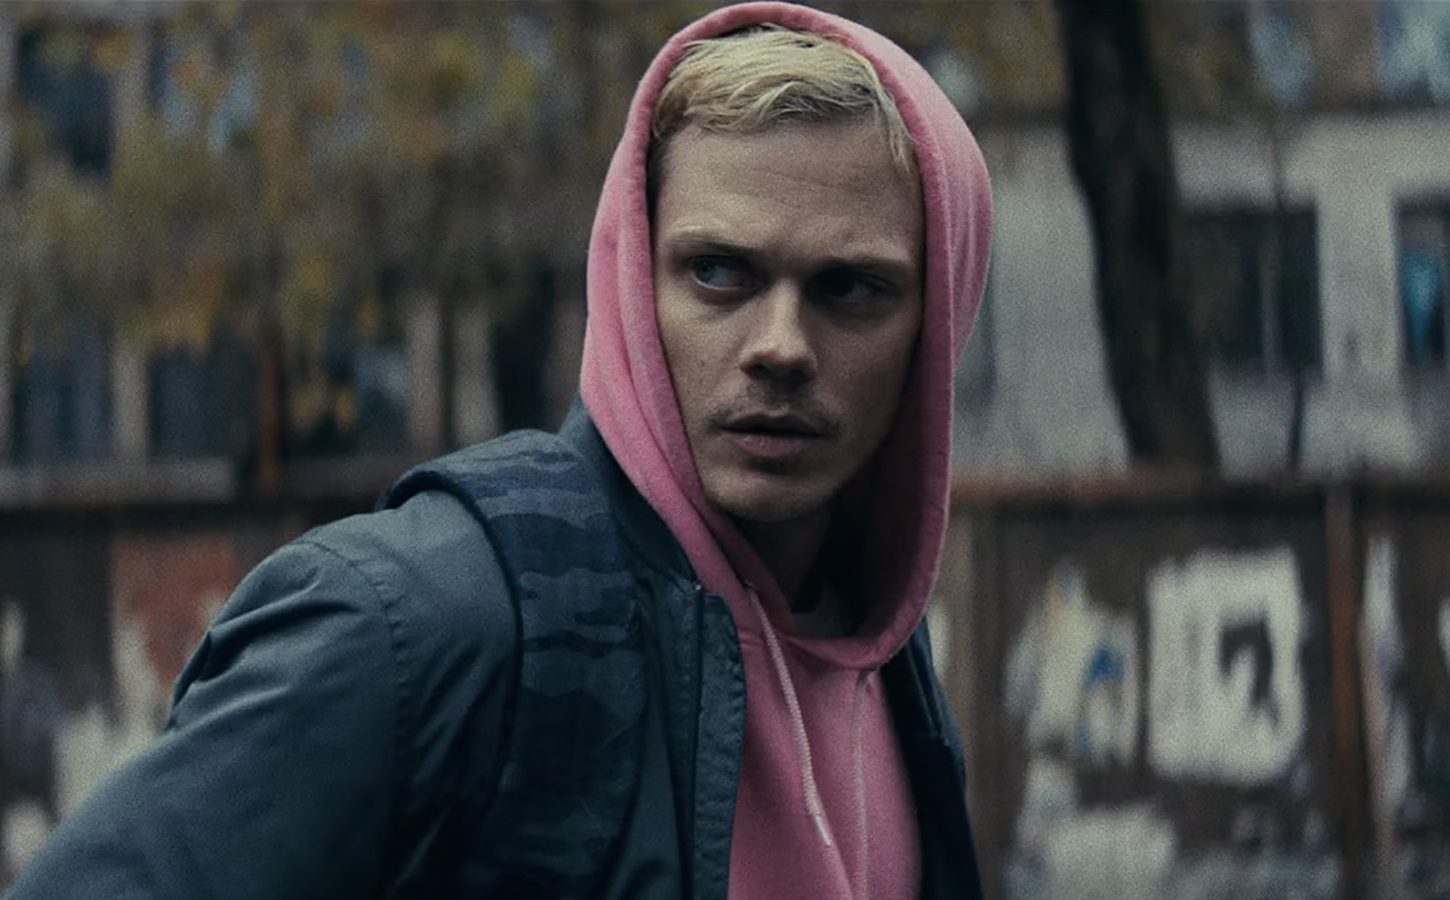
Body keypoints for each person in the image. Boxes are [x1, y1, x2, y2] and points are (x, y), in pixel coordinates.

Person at [7, 2, 992, 897]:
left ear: (936, 323)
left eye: (849, 288)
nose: (780, 346)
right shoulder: (425, 622)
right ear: (632, 282)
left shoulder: (885, 659)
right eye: (719, 272)